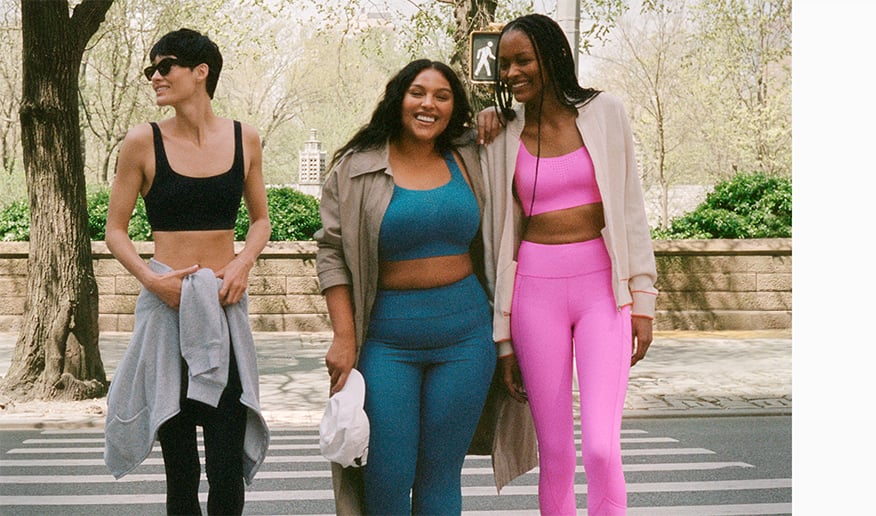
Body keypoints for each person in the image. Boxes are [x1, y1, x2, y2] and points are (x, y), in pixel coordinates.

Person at [315, 58, 533, 515]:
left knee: (440, 474)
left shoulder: (471, 155)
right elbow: (332, 253)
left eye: (442, 96)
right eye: (418, 92)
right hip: (386, 341)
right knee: (387, 475)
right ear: (399, 98)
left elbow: (529, 124)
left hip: (466, 339)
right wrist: (343, 335)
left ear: (454, 108)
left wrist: (497, 115)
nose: (428, 104)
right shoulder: (356, 167)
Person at [478, 13, 659, 515]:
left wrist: (643, 299)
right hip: (534, 291)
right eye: (504, 65)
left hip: (603, 287)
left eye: (523, 60)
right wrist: (504, 339)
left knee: (601, 447)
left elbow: (630, 207)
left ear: (553, 57)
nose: (511, 73)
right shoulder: (503, 132)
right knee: (555, 454)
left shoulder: (606, 112)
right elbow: (496, 237)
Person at [102, 28, 272, 516]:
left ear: (201, 72)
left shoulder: (245, 138)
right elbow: (116, 231)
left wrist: (241, 264)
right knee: (181, 472)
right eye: (151, 69)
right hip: (166, 313)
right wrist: (152, 280)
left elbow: (260, 221)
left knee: (225, 465)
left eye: (165, 66)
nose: (155, 77)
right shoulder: (142, 141)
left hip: (222, 310)